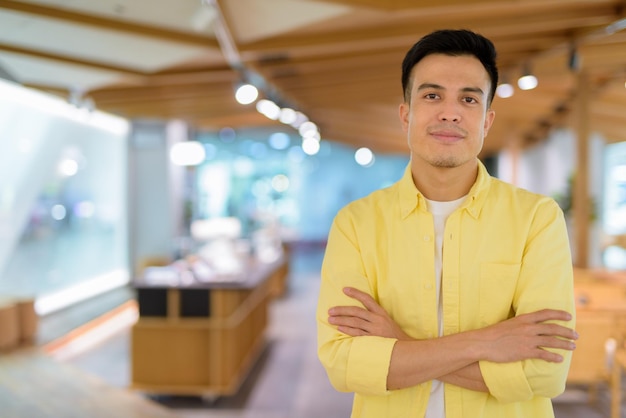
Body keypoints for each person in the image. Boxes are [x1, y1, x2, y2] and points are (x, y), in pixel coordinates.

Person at [316, 29, 578, 418]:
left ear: (487, 120)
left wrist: (399, 345)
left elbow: (545, 373)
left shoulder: (536, 218)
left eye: (468, 99)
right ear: (406, 113)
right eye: (432, 95)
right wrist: (488, 342)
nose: (450, 112)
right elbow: (344, 363)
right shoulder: (356, 223)